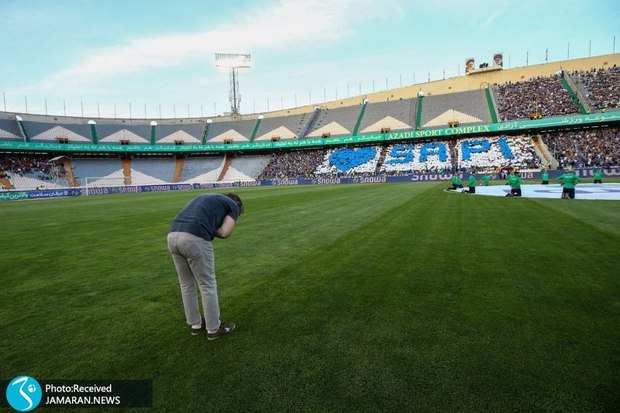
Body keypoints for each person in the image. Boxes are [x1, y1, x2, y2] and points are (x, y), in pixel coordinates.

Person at [167, 193, 244, 339]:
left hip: (172, 235)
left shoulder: (211, 198)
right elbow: (224, 232)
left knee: (186, 284)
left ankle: (195, 324)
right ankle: (213, 328)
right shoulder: (233, 205)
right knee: (207, 284)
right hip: (194, 237)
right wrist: (209, 226)